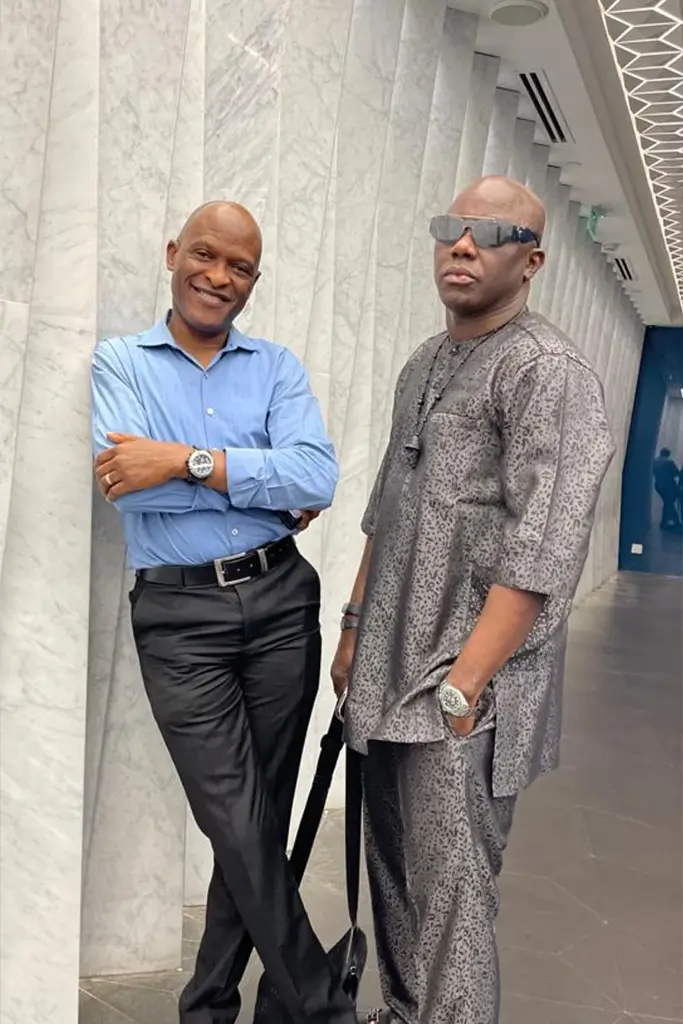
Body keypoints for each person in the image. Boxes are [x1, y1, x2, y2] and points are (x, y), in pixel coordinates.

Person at [331, 176, 615, 1024]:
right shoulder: (424, 361)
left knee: (452, 899)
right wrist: (354, 629)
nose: (462, 244)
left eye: (490, 233)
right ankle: (404, 1013)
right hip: (387, 673)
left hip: (464, 690)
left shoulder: (547, 372)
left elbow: (544, 545)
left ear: (530, 261)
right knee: (392, 871)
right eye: (451, 227)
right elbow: (386, 508)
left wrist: (463, 687)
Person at [91, 201, 357, 1024]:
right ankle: (320, 1005)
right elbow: (127, 484)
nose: (218, 277)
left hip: (281, 602)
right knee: (237, 822)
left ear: (254, 279)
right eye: (205, 256)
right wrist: (254, 478)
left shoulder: (274, 367)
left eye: (239, 267)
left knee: (257, 823)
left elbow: (315, 477)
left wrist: (186, 460)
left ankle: (208, 1006)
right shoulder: (120, 363)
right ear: (174, 253)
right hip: (179, 618)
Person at [652, 447, 680, 531]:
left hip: (659, 485)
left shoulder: (654, 462)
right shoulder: (669, 463)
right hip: (668, 486)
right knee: (669, 503)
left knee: (667, 503)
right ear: (667, 454)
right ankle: (674, 522)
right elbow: (676, 473)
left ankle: (666, 521)